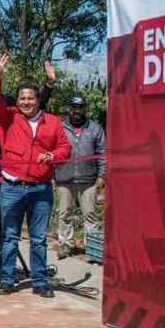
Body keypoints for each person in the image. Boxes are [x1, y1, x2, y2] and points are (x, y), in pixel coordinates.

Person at [0, 54, 72, 298]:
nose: (26, 102)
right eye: (22, 98)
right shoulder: (9, 117)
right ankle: (7, 279)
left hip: (40, 189)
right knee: (10, 237)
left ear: (38, 100)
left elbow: (65, 148)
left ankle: (40, 281)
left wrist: (52, 155)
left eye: (30, 98)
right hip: (12, 187)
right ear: (17, 101)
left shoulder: (53, 122)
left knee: (38, 239)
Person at [55, 95, 107, 260]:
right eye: (73, 107)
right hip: (64, 177)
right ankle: (66, 244)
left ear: (84, 108)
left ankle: (92, 249)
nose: (77, 110)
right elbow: (52, 150)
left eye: (80, 107)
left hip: (88, 179)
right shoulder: (59, 127)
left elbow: (102, 153)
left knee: (90, 214)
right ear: (68, 109)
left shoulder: (95, 129)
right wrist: (52, 173)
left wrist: (102, 175)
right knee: (64, 213)